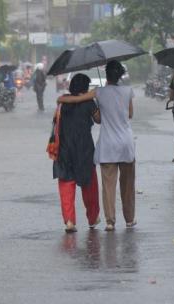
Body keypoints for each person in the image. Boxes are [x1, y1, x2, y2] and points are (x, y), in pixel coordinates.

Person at [57, 60, 136, 232]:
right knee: (124, 184)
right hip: (120, 144)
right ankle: (126, 220)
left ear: (106, 74)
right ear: (120, 75)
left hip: (95, 147)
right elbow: (128, 114)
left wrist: (62, 98)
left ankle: (107, 222)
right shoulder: (127, 91)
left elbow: (74, 99)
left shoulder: (96, 93)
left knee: (105, 186)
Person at [53, 73, 101, 233]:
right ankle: (92, 218)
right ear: (85, 87)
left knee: (66, 184)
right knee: (89, 185)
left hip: (65, 148)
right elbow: (99, 119)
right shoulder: (89, 103)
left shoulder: (62, 101)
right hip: (84, 148)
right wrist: (97, 101)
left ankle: (69, 221)